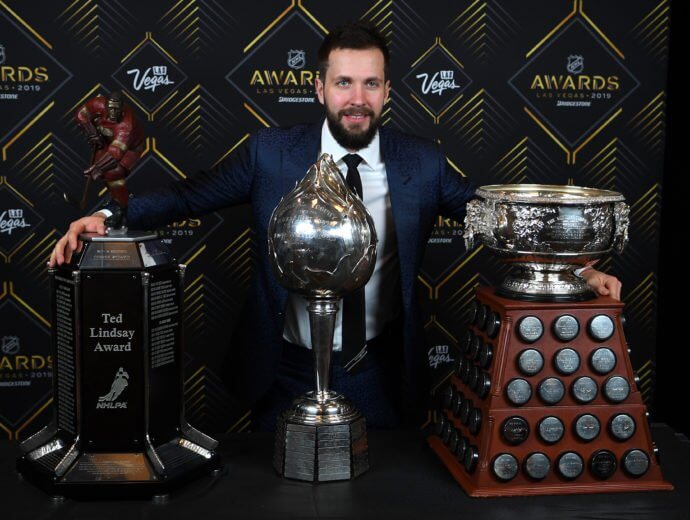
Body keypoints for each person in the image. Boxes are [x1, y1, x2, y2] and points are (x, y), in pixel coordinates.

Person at [49, 22, 621, 430]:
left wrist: (578, 271)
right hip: (285, 368)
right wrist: (105, 216)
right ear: (319, 88)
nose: (357, 99)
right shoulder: (270, 154)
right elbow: (188, 196)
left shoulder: (421, 162)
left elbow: (494, 219)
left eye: (371, 84)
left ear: (388, 92)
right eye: (344, 83)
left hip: (378, 371)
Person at [75, 90, 145, 228]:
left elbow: (116, 154)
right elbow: (80, 115)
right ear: (105, 105)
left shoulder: (126, 126)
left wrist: (97, 169)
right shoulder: (98, 103)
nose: (113, 113)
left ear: (122, 108)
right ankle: (117, 197)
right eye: (110, 109)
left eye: (117, 109)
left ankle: (123, 209)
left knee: (113, 173)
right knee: (103, 170)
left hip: (131, 148)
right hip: (109, 141)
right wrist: (91, 132)